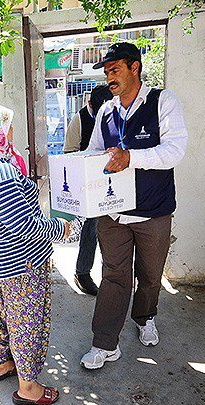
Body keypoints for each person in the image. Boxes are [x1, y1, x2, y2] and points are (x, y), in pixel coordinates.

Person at [79, 43, 188, 370]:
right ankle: (104, 343)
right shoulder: (106, 111)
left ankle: (145, 317)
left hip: (153, 211)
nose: (109, 76)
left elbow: (175, 151)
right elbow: (94, 151)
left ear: (135, 68)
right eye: (107, 71)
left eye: (115, 70)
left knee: (150, 275)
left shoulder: (162, 102)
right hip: (113, 212)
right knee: (113, 275)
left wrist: (131, 158)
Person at [0, 104, 70, 405]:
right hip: (21, 260)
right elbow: (23, 225)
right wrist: (60, 229)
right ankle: (28, 387)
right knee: (26, 320)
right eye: (7, 125)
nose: (11, 131)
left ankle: (3, 363)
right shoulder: (0, 169)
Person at [63, 85, 114, 296]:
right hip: (88, 184)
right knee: (91, 226)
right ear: (91, 104)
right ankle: (82, 273)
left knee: (114, 229)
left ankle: (113, 277)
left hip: (114, 181)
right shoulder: (80, 119)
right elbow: (69, 152)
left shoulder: (116, 114)